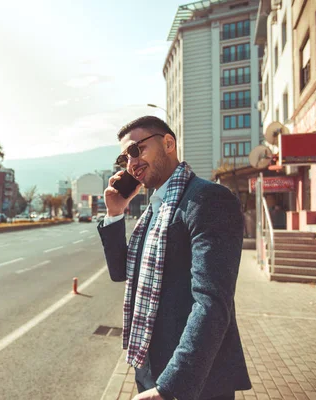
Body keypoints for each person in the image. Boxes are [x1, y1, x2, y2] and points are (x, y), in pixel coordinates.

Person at [98, 116, 251, 400]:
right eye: (124, 158)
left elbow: (212, 304)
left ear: (168, 143)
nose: (131, 163)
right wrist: (115, 212)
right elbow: (121, 271)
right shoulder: (154, 210)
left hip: (194, 382)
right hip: (149, 368)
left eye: (135, 150)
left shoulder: (207, 200)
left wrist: (171, 388)